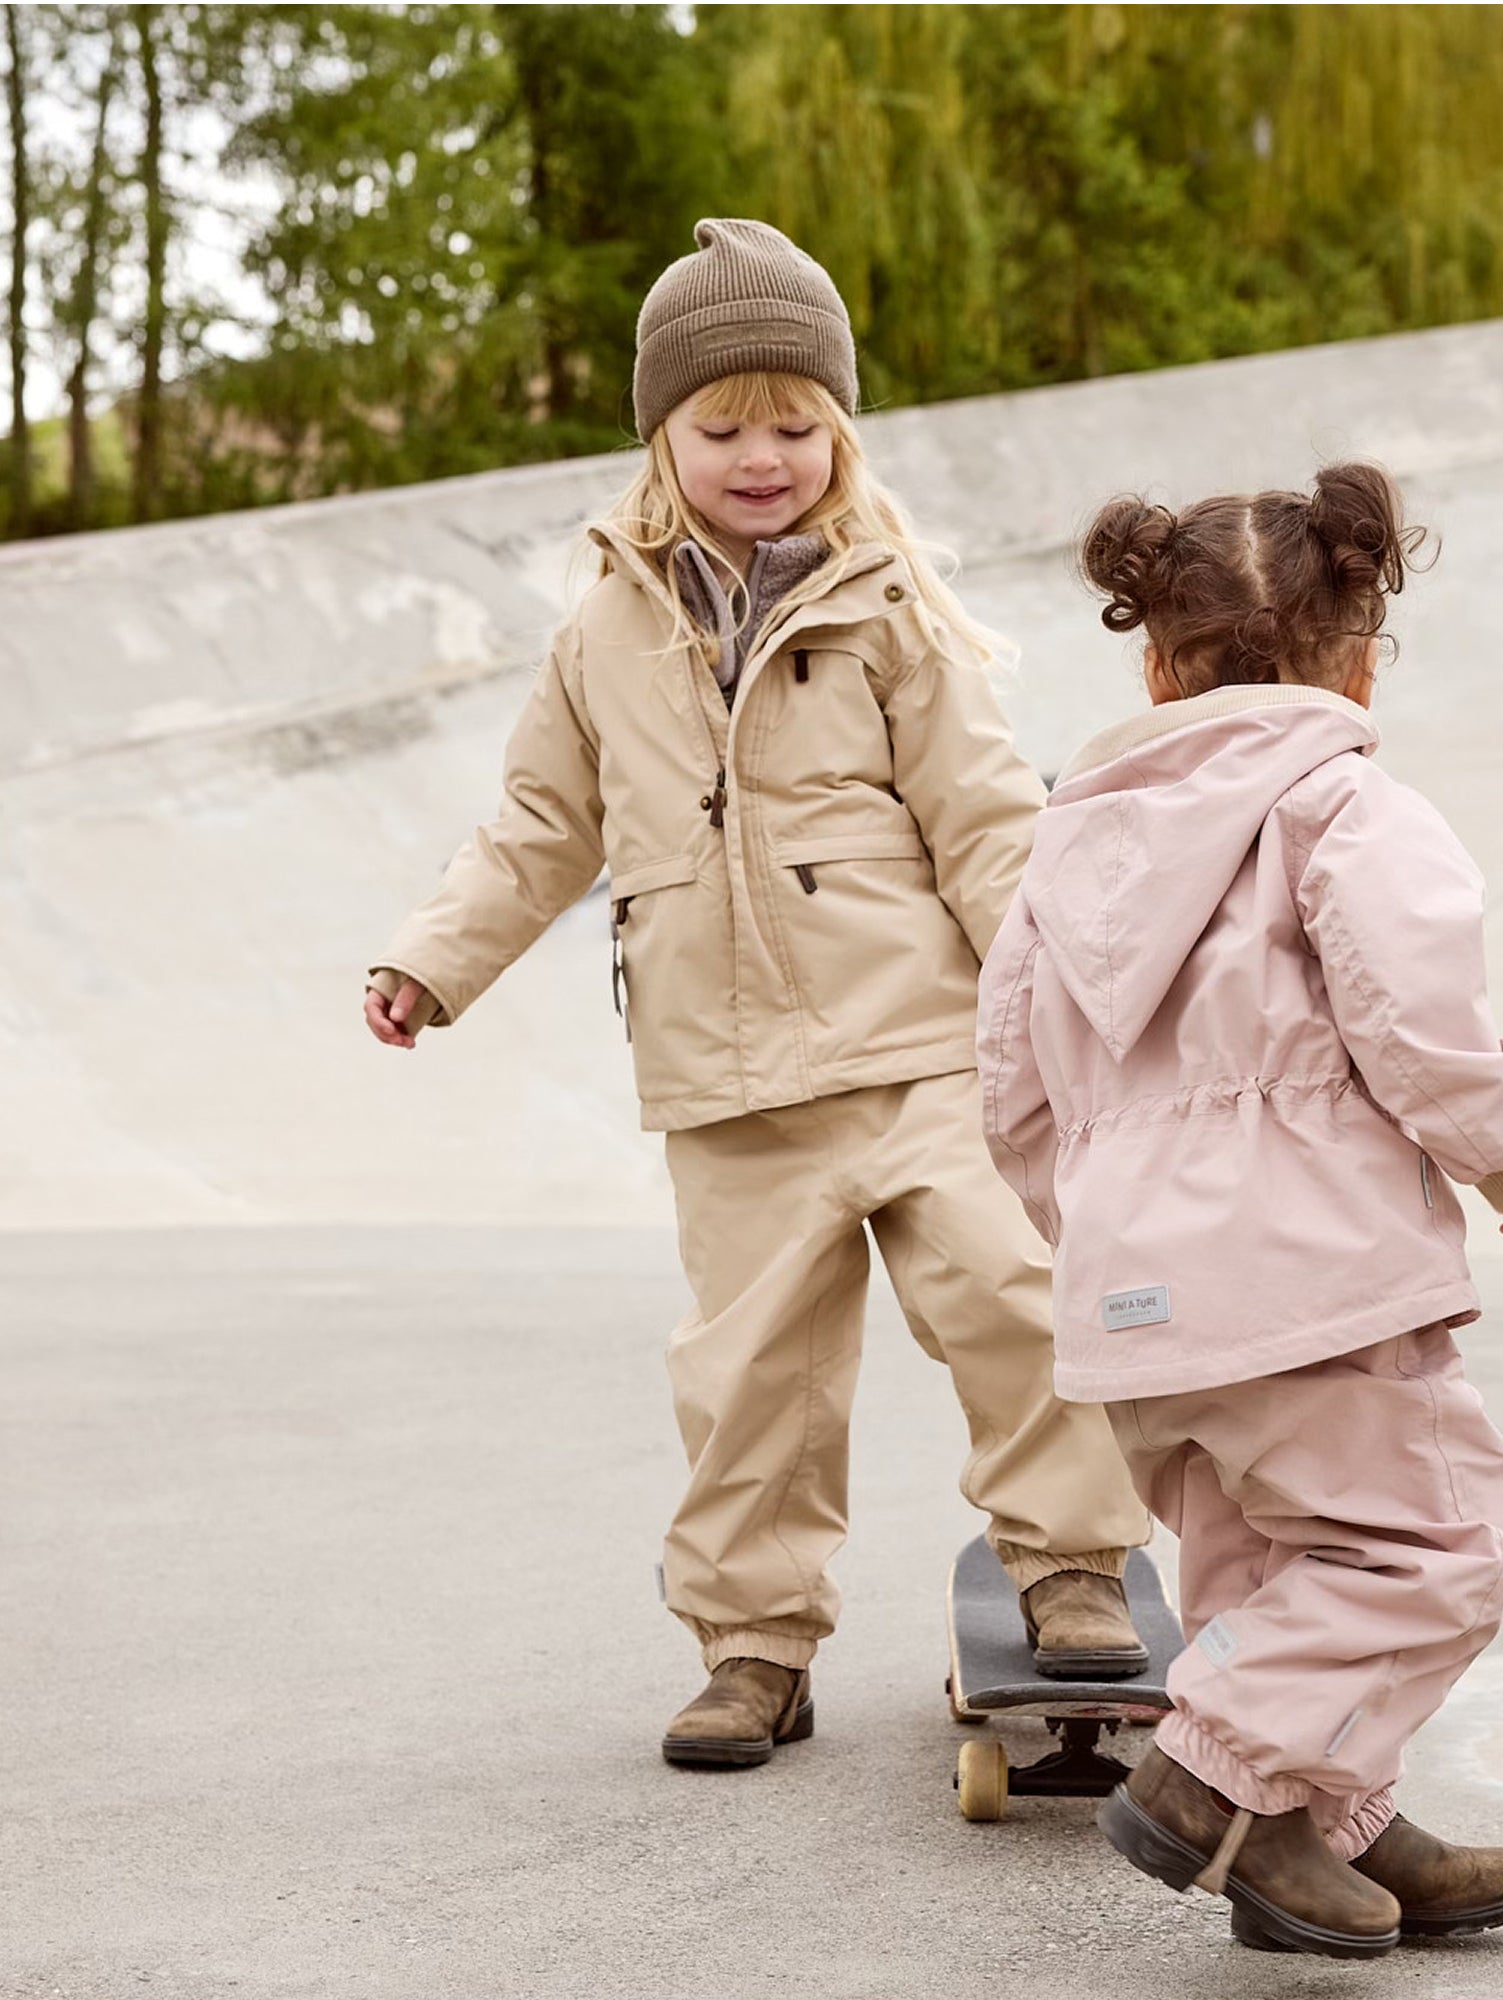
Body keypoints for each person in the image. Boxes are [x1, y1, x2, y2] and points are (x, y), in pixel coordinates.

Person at [364, 218, 1149, 1770]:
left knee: (1013, 1296)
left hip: (924, 1053)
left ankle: (1068, 1567)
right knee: (750, 1387)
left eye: (797, 426)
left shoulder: (886, 605)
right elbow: (538, 825)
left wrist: (1058, 996)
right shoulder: (600, 629)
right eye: (724, 427)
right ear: (662, 430)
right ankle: (754, 1646)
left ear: (841, 433)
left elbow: (990, 819)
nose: (762, 456)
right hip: (725, 1085)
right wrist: (431, 957)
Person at [977, 464, 1503, 1956]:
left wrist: (1115, 1243)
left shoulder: (1060, 847)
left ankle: (1322, 1831)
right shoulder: (1342, 804)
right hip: (1316, 1288)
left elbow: (1007, 1093)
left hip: (1138, 1312)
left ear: (1152, 662)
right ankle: (1210, 1780)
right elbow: (1421, 1022)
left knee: (1264, 1566)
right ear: (1361, 652)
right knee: (1432, 1550)